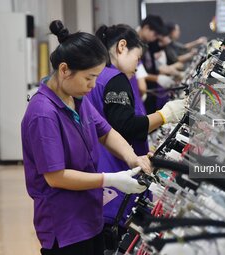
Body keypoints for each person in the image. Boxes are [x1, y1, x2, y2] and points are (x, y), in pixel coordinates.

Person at [21, 20, 151, 255]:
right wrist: (109, 179)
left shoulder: (77, 100)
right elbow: (56, 176)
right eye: (89, 78)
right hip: (65, 225)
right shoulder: (43, 113)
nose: (92, 86)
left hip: (90, 216)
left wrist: (133, 159)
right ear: (64, 70)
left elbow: (106, 132)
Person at [87, 24, 186, 251]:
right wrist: (165, 115)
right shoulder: (115, 78)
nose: (137, 65)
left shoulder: (95, 77)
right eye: (137, 57)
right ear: (122, 46)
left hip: (100, 168)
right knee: (117, 237)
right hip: (117, 171)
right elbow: (126, 126)